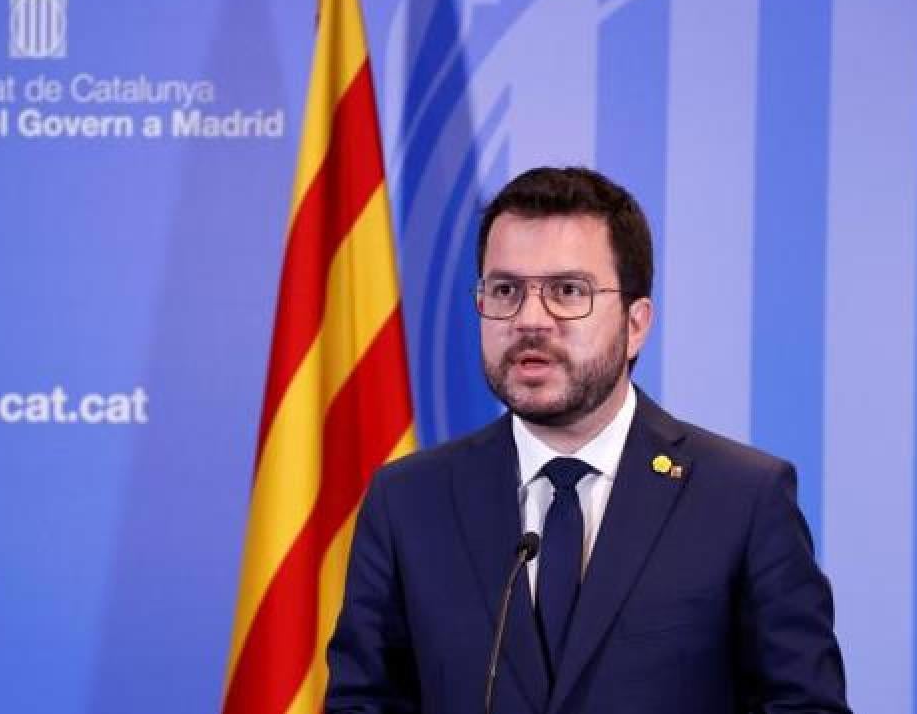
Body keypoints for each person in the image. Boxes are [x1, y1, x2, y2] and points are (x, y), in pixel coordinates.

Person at [324, 167, 849, 713]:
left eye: (567, 291)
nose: (530, 320)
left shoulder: (742, 500)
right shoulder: (409, 501)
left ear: (636, 324)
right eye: (505, 290)